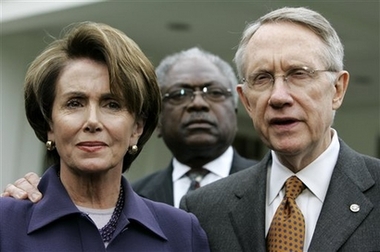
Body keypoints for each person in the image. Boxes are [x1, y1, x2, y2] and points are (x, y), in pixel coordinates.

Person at [180, 7, 380, 252]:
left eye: (298, 74)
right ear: (246, 101)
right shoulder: (203, 210)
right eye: (262, 78)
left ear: (337, 90)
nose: (278, 97)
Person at [0, 21, 209, 251]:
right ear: (50, 124)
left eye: (112, 104)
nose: (92, 121)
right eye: (75, 103)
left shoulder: (180, 233)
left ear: (137, 128)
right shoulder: (6, 222)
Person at [2, 47, 258, 208]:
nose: (198, 104)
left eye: (213, 92)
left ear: (237, 106)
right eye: (179, 93)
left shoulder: (271, 190)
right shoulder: (127, 200)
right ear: (154, 120)